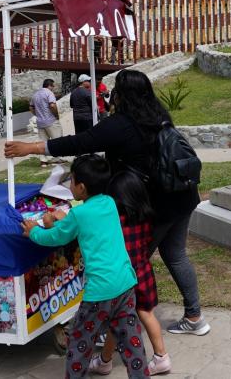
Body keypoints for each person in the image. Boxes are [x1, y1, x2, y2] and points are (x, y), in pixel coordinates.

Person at [4, 69, 208, 336]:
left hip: (154, 204)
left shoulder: (121, 123)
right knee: (176, 255)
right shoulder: (158, 116)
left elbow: (80, 142)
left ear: (121, 95)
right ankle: (194, 317)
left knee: (129, 262)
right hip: (182, 195)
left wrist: (31, 148)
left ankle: (118, 326)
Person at [23, 154, 146, 378]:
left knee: (79, 341)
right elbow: (90, 224)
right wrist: (62, 221)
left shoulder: (79, 214)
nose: (69, 185)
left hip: (100, 292)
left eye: (71, 181)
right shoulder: (109, 202)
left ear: (80, 187)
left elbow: (55, 238)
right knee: (131, 341)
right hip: (125, 283)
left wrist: (34, 231)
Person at [90, 172, 171, 376]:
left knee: (115, 320)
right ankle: (160, 356)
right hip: (143, 272)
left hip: (123, 277)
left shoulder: (116, 221)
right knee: (145, 313)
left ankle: (105, 361)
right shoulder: (145, 216)